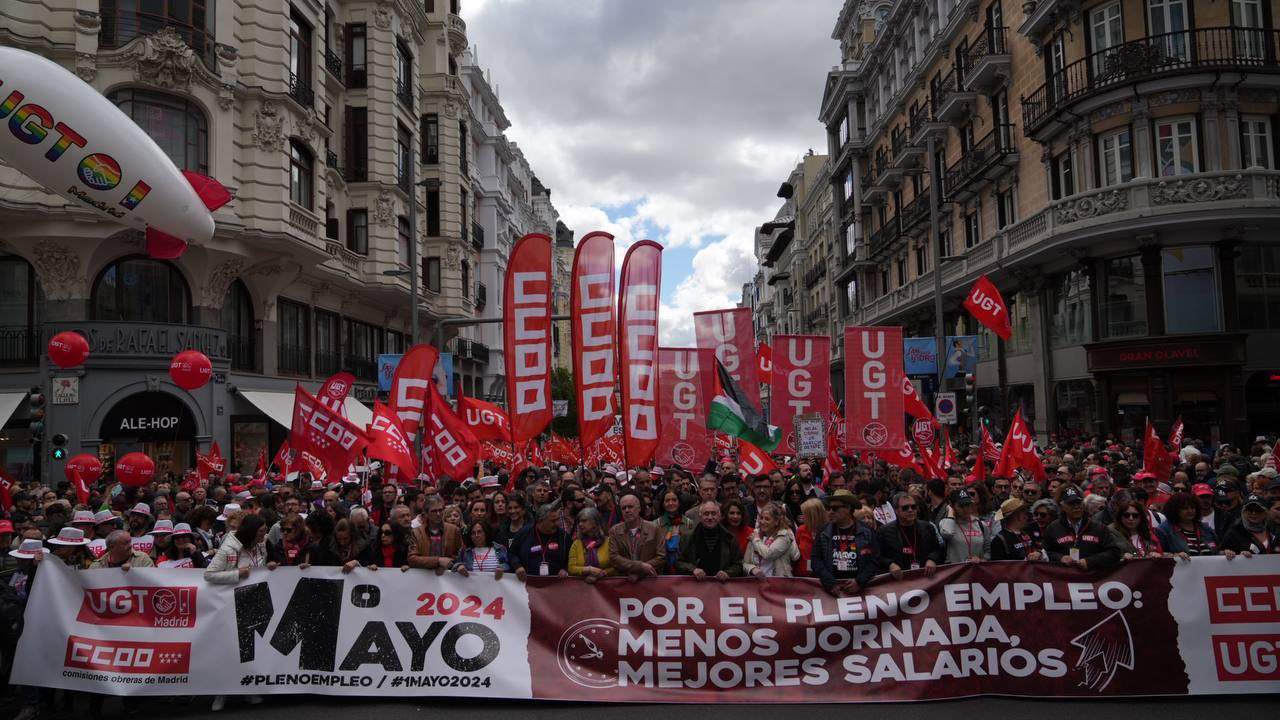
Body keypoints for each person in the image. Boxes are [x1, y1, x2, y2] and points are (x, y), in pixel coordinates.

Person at [202, 515, 267, 712]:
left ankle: (247, 689)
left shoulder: (261, 545)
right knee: (229, 650)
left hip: (254, 602)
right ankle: (221, 693)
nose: (264, 536)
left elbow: (261, 566)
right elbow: (209, 574)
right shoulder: (229, 548)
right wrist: (237, 574)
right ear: (251, 532)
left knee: (249, 649)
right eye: (261, 532)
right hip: (230, 604)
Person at [810, 489, 879, 596]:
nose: (830, 512)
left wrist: (859, 582)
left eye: (835, 508)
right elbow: (816, 559)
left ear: (848, 508)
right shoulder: (824, 531)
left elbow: (875, 559)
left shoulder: (866, 531)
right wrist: (830, 583)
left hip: (860, 591)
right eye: (829, 508)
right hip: (832, 592)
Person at [1043, 485, 1122, 570]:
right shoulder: (1053, 528)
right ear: (1062, 506)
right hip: (1063, 578)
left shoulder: (1099, 527)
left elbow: (1114, 552)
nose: (1076, 506)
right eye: (1071, 503)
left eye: (1078, 502)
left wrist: (1090, 562)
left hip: (1092, 578)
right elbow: (1045, 552)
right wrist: (1060, 558)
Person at [878, 491, 944, 577]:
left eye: (913, 507)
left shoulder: (927, 527)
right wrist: (890, 564)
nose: (910, 510)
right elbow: (878, 556)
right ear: (896, 510)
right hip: (899, 580)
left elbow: (938, 550)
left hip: (925, 577)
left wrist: (932, 559)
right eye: (905, 508)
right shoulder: (884, 531)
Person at [677, 501, 743, 581]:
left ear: (719, 516)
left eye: (713, 513)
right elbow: (679, 562)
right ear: (700, 516)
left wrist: (728, 573)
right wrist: (693, 570)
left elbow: (738, 564)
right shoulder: (687, 537)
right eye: (706, 514)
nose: (710, 517)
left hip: (722, 588)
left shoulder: (730, 538)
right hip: (695, 587)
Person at [607, 493, 661, 580]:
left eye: (630, 506)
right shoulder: (614, 531)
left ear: (639, 508)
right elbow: (613, 557)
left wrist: (640, 572)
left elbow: (661, 556)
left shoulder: (654, 528)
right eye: (624, 508)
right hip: (625, 580)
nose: (627, 510)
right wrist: (640, 566)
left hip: (649, 580)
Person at [511, 503, 572, 580]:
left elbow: (572, 558)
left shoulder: (564, 536)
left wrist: (565, 569)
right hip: (528, 582)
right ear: (540, 521)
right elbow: (512, 553)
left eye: (558, 519)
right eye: (553, 521)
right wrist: (517, 566)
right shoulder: (524, 533)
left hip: (556, 583)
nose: (557, 524)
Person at [743, 503, 798, 577]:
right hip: (757, 584)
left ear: (776, 521)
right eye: (761, 518)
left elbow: (768, 554)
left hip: (778, 584)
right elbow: (745, 563)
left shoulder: (784, 536)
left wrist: (756, 540)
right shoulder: (755, 534)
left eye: (767, 519)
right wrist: (753, 569)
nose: (762, 522)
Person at [1156, 492, 1221, 556]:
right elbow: (1158, 554)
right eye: (1185, 508)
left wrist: (1224, 553)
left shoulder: (1205, 528)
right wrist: (1173, 555)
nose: (1190, 511)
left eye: (1192, 507)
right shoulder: (1164, 530)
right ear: (1175, 510)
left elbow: (1217, 551)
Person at [409, 495, 462, 571]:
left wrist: (454, 563)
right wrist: (438, 561)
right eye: (434, 511)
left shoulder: (454, 530)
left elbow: (461, 554)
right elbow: (412, 559)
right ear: (426, 513)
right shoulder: (416, 532)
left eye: (440, 510)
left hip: (448, 575)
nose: (438, 514)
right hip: (424, 575)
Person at [938, 489, 991, 563]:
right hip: (955, 571)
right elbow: (947, 533)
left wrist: (981, 560)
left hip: (976, 570)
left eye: (968, 504)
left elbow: (988, 551)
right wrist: (950, 512)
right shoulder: (946, 523)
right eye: (961, 506)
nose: (966, 509)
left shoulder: (981, 525)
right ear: (952, 505)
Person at [568, 508, 614, 583]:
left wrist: (604, 573)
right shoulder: (577, 543)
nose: (580, 524)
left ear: (595, 522)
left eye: (584, 521)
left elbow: (616, 567)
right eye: (579, 521)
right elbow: (571, 568)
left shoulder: (609, 542)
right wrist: (589, 569)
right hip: (581, 589)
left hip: (606, 588)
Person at [655, 490, 692, 575]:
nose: (671, 503)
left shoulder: (689, 523)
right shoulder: (655, 524)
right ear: (663, 504)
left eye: (674, 500)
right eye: (667, 501)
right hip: (662, 569)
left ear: (679, 502)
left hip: (684, 569)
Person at [89, 530, 155, 570]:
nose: (130, 545)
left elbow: (151, 581)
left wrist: (134, 572)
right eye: (125, 543)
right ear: (112, 547)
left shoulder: (142, 559)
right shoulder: (96, 566)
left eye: (130, 541)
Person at [794, 498, 827, 577]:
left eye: (804, 514)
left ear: (813, 516)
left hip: (822, 577)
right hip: (802, 576)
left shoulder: (828, 531)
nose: (802, 517)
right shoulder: (801, 530)